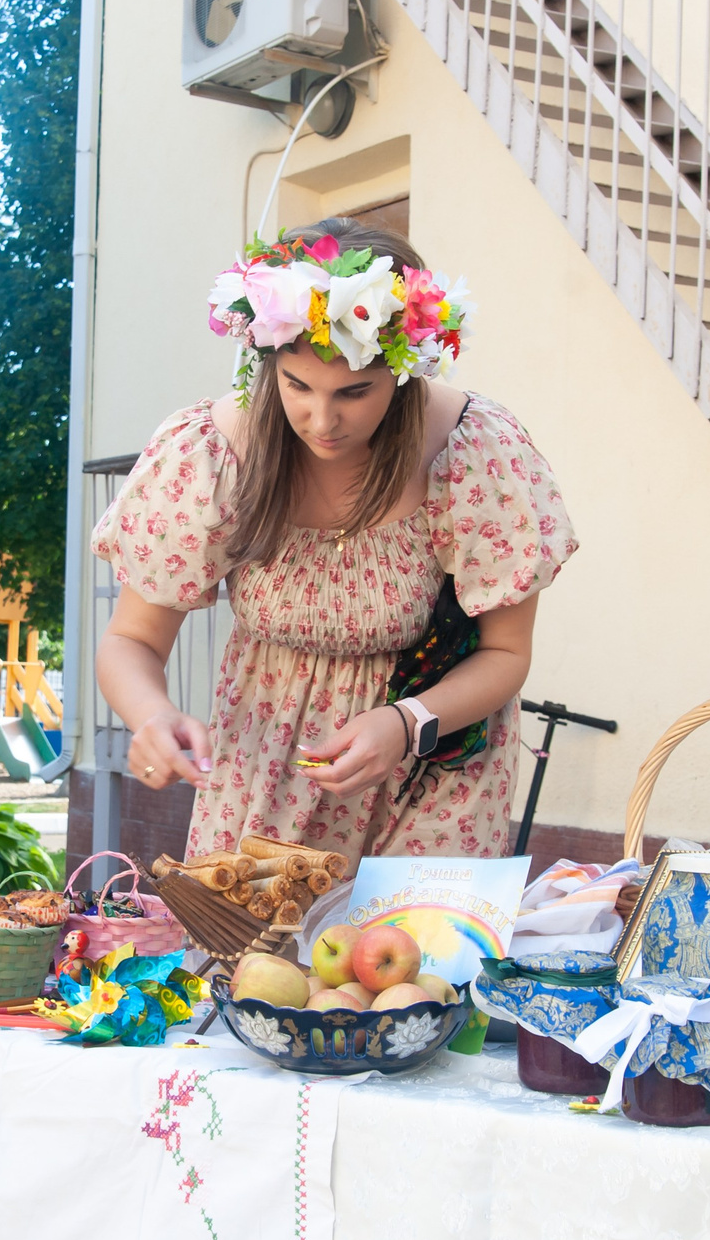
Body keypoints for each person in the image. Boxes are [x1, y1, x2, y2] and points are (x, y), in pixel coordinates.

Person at [92, 217, 575, 860]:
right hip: (263, 777)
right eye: (297, 387)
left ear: (403, 369)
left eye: (355, 392)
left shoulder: (472, 451)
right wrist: (151, 715)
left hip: (431, 771)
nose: (322, 421)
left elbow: (507, 654)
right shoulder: (213, 454)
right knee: (255, 959)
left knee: (415, 961)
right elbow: (131, 640)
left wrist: (407, 725)